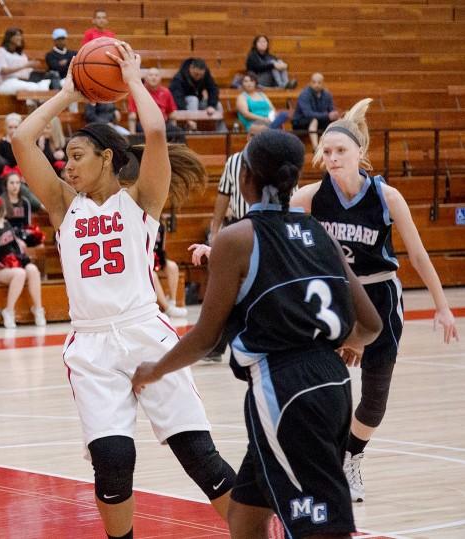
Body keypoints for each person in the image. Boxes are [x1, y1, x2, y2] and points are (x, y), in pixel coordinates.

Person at [13, 41, 235, 538]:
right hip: (91, 345)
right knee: (112, 465)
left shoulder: (141, 200)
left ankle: (264, 532)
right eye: (65, 158)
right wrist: (69, 91)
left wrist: (133, 79)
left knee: (201, 459)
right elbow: (22, 140)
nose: (66, 166)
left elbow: (155, 130)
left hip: (144, 334)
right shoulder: (63, 207)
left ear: (108, 158)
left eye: (76, 156)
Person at [132, 129, 382, 539]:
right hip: (334, 385)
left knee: (321, 528)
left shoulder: (237, 238)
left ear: (245, 177)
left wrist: (154, 370)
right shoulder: (318, 232)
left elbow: (208, 337)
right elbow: (370, 325)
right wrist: (345, 341)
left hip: (283, 391)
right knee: (245, 516)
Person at [290, 98, 460, 503]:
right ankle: (316, 460)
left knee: (375, 400)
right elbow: (263, 223)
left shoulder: (388, 197)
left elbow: (417, 256)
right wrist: (215, 247)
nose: (332, 159)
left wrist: (441, 305)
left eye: (340, 151)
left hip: (380, 297)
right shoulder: (311, 196)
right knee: (320, 387)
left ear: (360, 154)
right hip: (335, 298)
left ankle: (351, 457)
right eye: (326, 152)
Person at [203, 122, 269, 361]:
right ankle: (216, 347)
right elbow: (223, 194)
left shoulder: (275, 160)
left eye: (258, 136)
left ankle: (257, 341)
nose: (252, 140)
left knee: (257, 288)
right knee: (225, 288)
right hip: (237, 228)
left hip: (266, 229)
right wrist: (214, 228)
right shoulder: (234, 161)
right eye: (250, 135)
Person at [0, 196, 45, 329]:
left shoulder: (7, 224)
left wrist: (21, 255)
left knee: (32, 270)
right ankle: (9, 311)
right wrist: (3, 265)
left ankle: (38, 309)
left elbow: (14, 244)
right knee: (20, 274)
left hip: (14, 265)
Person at [0, 28, 60, 95]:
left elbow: (27, 73)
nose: (20, 38)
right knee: (34, 88)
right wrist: (25, 65)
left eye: (21, 35)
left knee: (44, 84)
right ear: (10, 37)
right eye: (17, 35)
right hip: (6, 83)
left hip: (23, 81)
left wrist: (35, 69)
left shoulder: (21, 55)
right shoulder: (1, 51)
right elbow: (3, 71)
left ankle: (32, 105)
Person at [169, 58, 225, 132]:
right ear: (191, 68)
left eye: (201, 75)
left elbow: (213, 89)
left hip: (199, 102)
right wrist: (187, 118)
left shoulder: (205, 74)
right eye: (196, 74)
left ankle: (222, 133)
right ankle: (191, 129)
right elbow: (177, 98)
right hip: (183, 106)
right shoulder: (179, 77)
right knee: (193, 99)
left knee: (218, 105)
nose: (198, 77)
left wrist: (211, 105)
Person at [292, 73, 340, 148]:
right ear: (310, 83)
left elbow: (331, 110)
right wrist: (327, 115)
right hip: (301, 122)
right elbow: (308, 114)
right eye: (314, 82)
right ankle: (316, 148)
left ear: (323, 83)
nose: (316, 85)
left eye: (319, 82)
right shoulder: (304, 94)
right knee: (314, 120)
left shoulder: (327, 95)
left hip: (320, 120)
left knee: (336, 121)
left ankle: (334, 145)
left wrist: (334, 115)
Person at [126, 67, 178, 135]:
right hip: (144, 125)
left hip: (162, 124)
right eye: (150, 75)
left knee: (177, 132)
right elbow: (132, 115)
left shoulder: (166, 92)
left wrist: (174, 129)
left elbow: (172, 113)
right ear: (145, 78)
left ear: (160, 78)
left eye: (156, 75)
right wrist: (132, 135)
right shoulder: (137, 92)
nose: (153, 77)